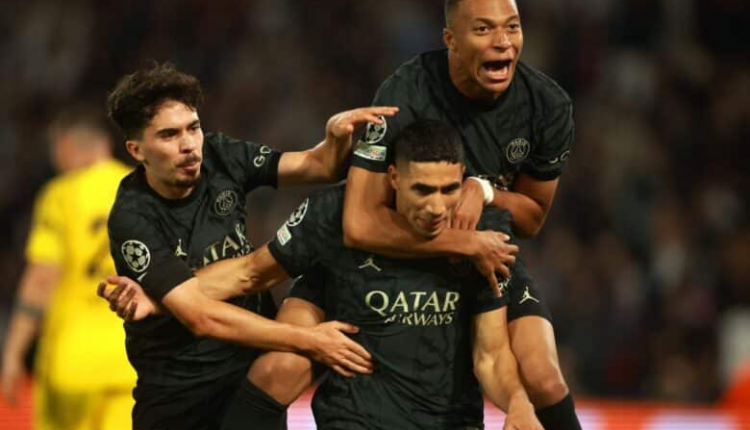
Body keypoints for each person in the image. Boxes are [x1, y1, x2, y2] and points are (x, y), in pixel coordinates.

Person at [103, 119, 542, 430]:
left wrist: (519, 402)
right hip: (353, 418)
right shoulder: (334, 214)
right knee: (283, 364)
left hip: (451, 420)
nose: (436, 207)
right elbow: (252, 273)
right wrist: (163, 295)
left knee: (545, 375)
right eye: (422, 190)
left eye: (449, 190)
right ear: (392, 178)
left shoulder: (485, 236)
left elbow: (491, 355)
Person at [103, 61, 397, 430]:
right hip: (181, 397)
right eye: (168, 135)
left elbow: (317, 165)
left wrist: (335, 137)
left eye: (193, 128)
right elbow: (201, 317)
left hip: (250, 380)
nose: (189, 145)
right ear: (137, 150)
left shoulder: (220, 155)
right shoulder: (133, 217)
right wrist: (308, 339)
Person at [341, 0, 582, 429]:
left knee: (544, 379)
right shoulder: (405, 93)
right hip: (405, 255)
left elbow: (531, 219)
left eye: (512, 27)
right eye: (484, 29)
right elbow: (359, 223)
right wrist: (466, 242)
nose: (503, 42)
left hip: (486, 257)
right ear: (450, 39)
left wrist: (484, 190)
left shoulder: (547, 105)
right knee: (285, 366)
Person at [0, 107, 136, 430]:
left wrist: (13, 352)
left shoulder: (61, 195)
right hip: (132, 362)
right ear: (104, 144)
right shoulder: (143, 189)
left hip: (73, 363)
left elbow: (42, 278)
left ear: (64, 146)